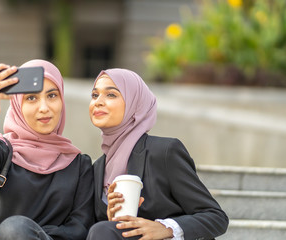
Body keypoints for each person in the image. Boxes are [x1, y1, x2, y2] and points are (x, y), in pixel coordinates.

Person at [0, 59, 94, 240]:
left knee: (14, 229)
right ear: (17, 105)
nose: (44, 108)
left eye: (52, 96)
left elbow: (80, 229)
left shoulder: (79, 165)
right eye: (31, 98)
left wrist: (21, 235)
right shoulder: (1, 152)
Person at [86, 69, 229, 240]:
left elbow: (216, 217)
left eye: (111, 95)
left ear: (135, 103)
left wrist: (165, 228)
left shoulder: (164, 152)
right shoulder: (97, 168)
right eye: (95, 95)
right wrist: (111, 219)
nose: (98, 102)